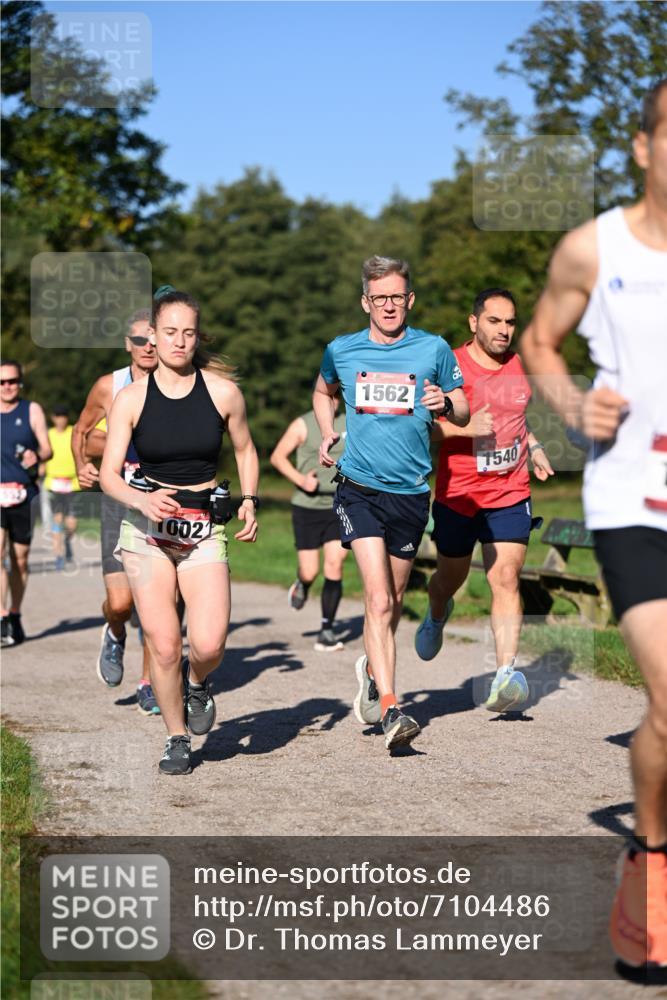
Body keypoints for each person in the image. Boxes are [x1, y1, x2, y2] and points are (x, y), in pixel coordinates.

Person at [520, 79, 667, 969]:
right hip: (633, 502)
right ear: (643, 147)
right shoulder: (593, 248)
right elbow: (540, 340)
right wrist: (574, 404)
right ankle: (650, 857)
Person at [100, 286, 259, 776]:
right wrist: (141, 498)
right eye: (169, 332)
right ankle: (175, 737)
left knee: (208, 645)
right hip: (146, 531)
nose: (178, 341)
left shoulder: (223, 393)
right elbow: (108, 476)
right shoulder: (129, 398)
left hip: (202, 530)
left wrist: (249, 499)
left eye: (188, 333)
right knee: (164, 644)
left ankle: (197, 682)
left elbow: (247, 450)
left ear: (196, 337)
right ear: (154, 335)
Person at [314, 255, 469, 751]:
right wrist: (326, 430)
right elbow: (323, 391)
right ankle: (391, 708)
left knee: (393, 603)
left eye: (396, 297)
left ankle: (371, 672)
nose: (388, 305)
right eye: (379, 297)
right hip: (358, 487)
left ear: (409, 300)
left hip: (411, 494)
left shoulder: (434, 349)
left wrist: (445, 405)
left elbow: (463, 407)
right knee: (378, 599)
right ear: (365, 302)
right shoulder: (342, 349)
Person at [415, 288, 554, 712]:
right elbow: (422, 429)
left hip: (510, 492)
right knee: (449, 578)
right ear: (474, 322)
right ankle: (438, 608)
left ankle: (506, 675)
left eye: (510, 322)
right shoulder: (448, 365)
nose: (504, 330)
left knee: (506, 578)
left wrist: (533, 447)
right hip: (459, 495)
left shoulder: (520, 365)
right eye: (494, 321)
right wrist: (464, 428)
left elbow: (517, 416)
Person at [72, 311, 161, 715]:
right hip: (118, 499)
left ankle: (149, 683)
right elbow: (82, 432)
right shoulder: (110, 386)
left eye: (154, 340)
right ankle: (114, 628)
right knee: (122, 603)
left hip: (164, 501)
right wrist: (81, 465)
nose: (148, 348)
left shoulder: (179, 384)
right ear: (127, 344)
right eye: (139, 341)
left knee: (155, 602)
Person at [270, 394, 349, 651]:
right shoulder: (302, 424)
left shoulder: (351, 422)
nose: (334, 400)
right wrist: (301, 480)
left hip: (339, 504)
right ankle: (302, 584)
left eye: (338, 394)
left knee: (335, 563)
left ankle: (327, 629)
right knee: (310, 570)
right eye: (328, 395)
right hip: (307, 506)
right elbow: (278, 457)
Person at [0, 360, 52, 646]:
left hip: (23, 494)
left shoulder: (30, 410)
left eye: (12, 381)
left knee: (19, 560)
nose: (7, 386)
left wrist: (37, 455)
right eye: (2, 382)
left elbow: (47, 448)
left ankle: (15, 614)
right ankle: (1, 616)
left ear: (19, 382)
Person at [43, 405, 80, 570]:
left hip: (72, 483)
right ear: (53, 418)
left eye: (64, 415)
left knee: (72, 523)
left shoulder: (74, 432)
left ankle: (67, 541)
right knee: (57, 519)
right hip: (54, 482)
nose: (61, 419)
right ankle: (58, 555)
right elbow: (42, 453)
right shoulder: (48, 434)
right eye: (58, 416)